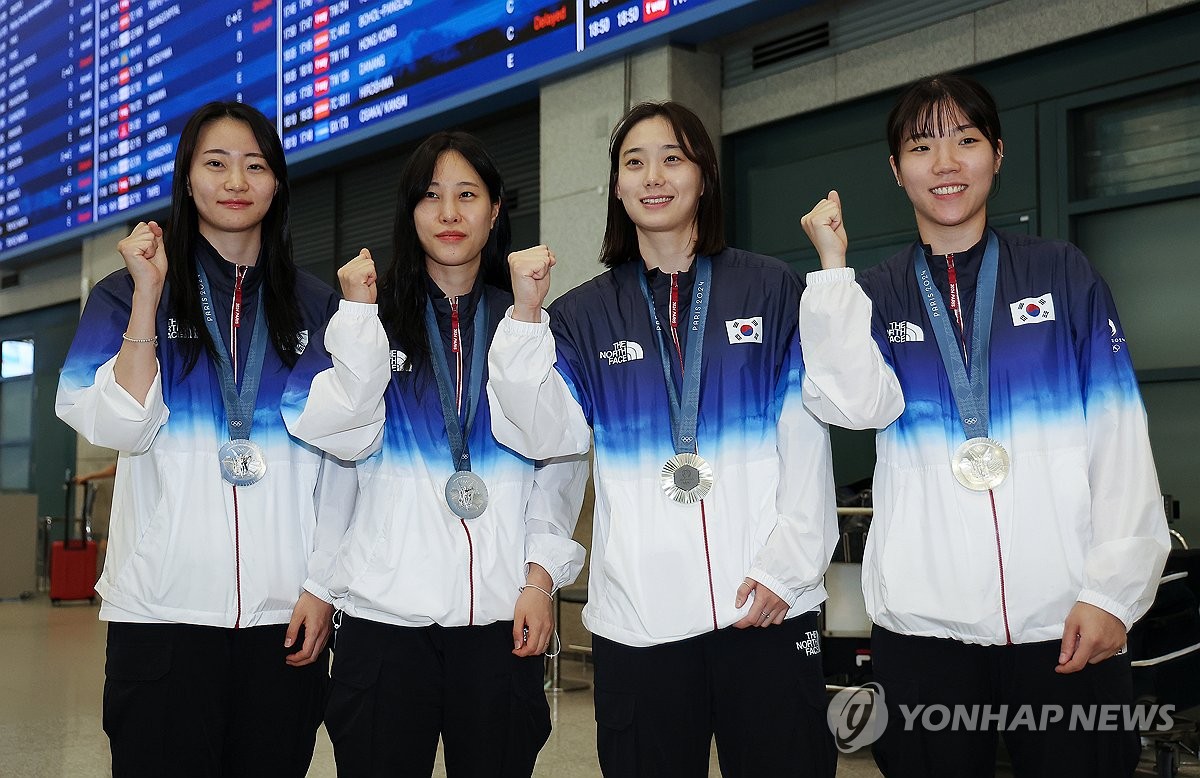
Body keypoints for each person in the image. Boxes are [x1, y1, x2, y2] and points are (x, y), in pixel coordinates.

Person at [487, 101, 878, 776]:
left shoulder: (770, 287)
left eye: (673, 157)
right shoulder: (581, 315)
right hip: (642, 625)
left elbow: (807, 434)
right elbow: (541, 430)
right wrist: (524, 317)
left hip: (766, 609)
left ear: (704, 175)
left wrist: (791, 562)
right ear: (616, 186)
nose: (654, 176)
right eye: (634, 162)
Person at [799, 73, 1171, 776]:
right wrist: (831, 272)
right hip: (922, 638)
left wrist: (1112, 595)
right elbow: (852, 407)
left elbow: (1120, 442)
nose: (945, 164)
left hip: (1068, 622)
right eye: (922, 146)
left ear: (997, 154)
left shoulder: (1064, 274)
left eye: (965, 141)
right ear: (896, 170)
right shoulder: (871, 293)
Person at [56, 101, 351, 777]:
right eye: (215, 163)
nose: (235, 180)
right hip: (161, 620)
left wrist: (323, 585)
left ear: (276, 183)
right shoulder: (123, 294)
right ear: (187, 180)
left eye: (255, 165)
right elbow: (116, 424)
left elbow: (346, 462)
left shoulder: (319, 310)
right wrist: (147, 298)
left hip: (287, 621)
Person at [281, 130, 587, 777]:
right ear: (408, 210)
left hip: (501, 623)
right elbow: (338, 459)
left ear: (496, 209)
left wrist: (539, 579)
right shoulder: (367, 317)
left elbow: (558, 467)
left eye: (467, 195)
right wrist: (319, 583)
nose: (449, 214)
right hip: (384, 623)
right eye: (431, 196)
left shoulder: (524, 320)